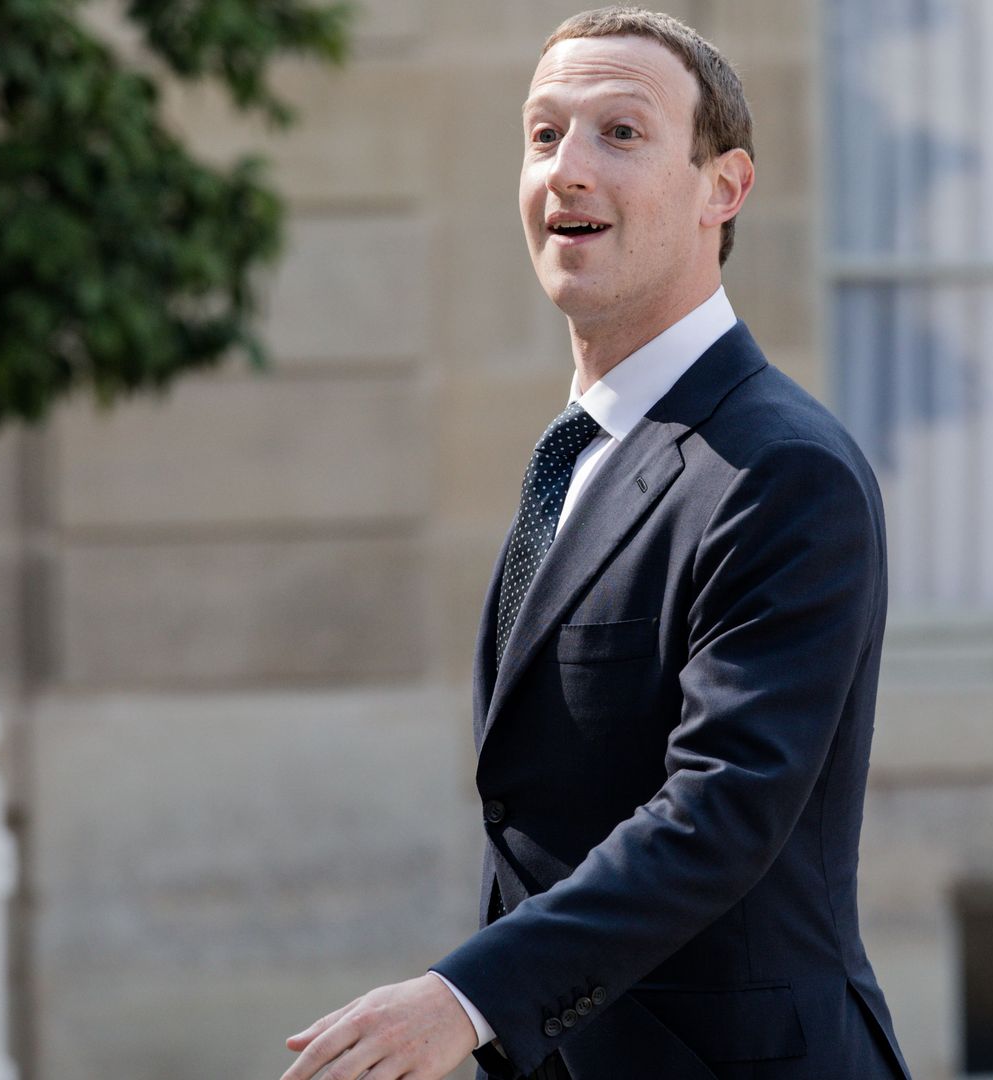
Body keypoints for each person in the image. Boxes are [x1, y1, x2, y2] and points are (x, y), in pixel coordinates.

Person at [281, 8, 910, 1079]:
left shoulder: (782, 470)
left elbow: (720, 812)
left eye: (621, 132)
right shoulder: (579, 452)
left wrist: (467, 998)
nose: (566, 169)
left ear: (724, 189)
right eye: (544, 134)